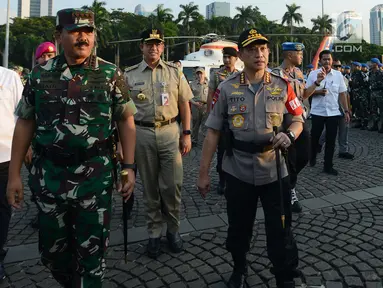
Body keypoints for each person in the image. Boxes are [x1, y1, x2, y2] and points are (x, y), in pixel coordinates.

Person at [7, 8, 137, 287]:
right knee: (51, 253)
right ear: (59, 35)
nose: (83, 37)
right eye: (75, 31)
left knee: (92, 257)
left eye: (89, 31)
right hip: (49, 177)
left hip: (95, 177)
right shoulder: (40, 75)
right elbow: (25, 123)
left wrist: (128, 169)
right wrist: (14, 174)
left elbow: (126, 120)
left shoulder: (110, 74)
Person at [198, 28, 304, 288]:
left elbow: (298, 119)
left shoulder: (283, 86)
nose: (260, 54)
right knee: (238, 228)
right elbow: (212, 133)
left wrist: (289, 135)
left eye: (264, 48)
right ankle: (239, 267)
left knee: (280, 229)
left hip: (274, 171)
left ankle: (284, 274)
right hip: (238, 170)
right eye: (253, 49)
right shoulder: (226, 88)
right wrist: (203, 174)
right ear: (242, 55)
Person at [124, 28, 192, 258]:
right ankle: (154, 233)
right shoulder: (129, 75)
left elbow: (185, 104)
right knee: (150, 187)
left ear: (163, 47)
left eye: (158, 44)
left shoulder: (175, 73)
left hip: (170, 133)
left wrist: (187, 133)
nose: (153, 47)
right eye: (149, 43)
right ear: (141, 46)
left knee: (172, 186)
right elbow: (122, 114)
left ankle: (173, 230)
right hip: (141, 134)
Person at [271, 42, 309, 214]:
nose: (301, 56)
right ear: (288, 55)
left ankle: (289, 183)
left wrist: (316, 84)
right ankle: (290, 190)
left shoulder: (299, 73)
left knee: (305, 155)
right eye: (298, 53)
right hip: (285, 122)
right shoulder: (275, 75)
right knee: (290, 159)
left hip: (299, 119)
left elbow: (303, 94)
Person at [25, 41, 58, 229]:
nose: (47, 59)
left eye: (50, 56)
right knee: (36, 182)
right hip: (38, 145)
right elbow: (24, 119)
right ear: (37, 59)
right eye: (43, 56)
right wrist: (27, 145)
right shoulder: (33, 80)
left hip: (57, 146)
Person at [304, 50, 350, 175]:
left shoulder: (338, 75)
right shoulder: (313, 74)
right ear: (320, 61)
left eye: (329, 59)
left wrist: (346, 110)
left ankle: (328, 165)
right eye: (324, 59)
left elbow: (342, 94)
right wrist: (318, 91)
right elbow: (306, 92)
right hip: (318, 111)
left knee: (331, 140)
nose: (327, 61)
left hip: (333, 112)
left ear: (332, 60)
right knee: (315, 137)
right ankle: (312, 157)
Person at [0, 66, 23, 280]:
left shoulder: (9, 77)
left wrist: (26, 148)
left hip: (4, 156)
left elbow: (21, 116)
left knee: (2, 208)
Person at [206, 47, 239, 195]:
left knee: (236, 149)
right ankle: (222, 180)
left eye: (229, 57)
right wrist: (209, 114)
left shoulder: (240, 75)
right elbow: (211, 95)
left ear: (235, 58)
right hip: (221, 117)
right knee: (221, 151)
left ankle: (234, 178)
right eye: (225, 57)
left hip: (237, 118)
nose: (226, 60)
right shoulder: (216, 74)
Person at [318, 60, 354, 159]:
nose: (338, 67)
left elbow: (347, 95)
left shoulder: (344, 79)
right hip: (332, 108)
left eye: (339, 66)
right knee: (329, 129)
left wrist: (348, 108)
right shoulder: (325, 78)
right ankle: (319, 144)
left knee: (344, 129)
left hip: (343, 108)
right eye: (335, 66)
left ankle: (343, 150)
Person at [190, 67, 209, 145]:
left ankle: (205, 141)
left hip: (206, 106)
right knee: (195, 123)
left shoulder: (209, 84)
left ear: (204, 74)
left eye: (201, 73)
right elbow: (188, 96)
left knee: (205, 124)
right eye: (198, 73)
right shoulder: (192, 84)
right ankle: (194, 140)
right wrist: (194, 103)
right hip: (195, 106)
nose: (199, 75)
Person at [368, 58, 383, 132]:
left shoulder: (381, 73)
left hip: (380, 93)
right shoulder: (371, 73)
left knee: (382, 110)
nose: (370, 64)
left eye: (372, 63)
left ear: (376, 64)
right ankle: (375, 125)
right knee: (373, 110)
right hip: (373, 93)